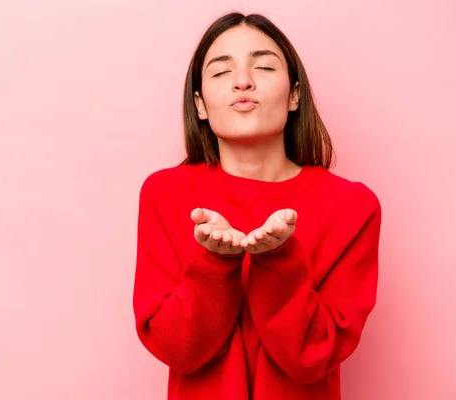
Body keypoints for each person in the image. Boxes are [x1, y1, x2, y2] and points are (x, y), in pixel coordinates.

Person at [132, 11, 382, 400]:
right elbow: (176, 349)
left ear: (295, 94)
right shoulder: (164, 193)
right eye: (220, 72)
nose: (243, 81)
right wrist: (215, 264)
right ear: (200, 105)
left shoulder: (352, 206)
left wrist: (279, 260)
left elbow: (312, 356)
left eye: (264, 66)